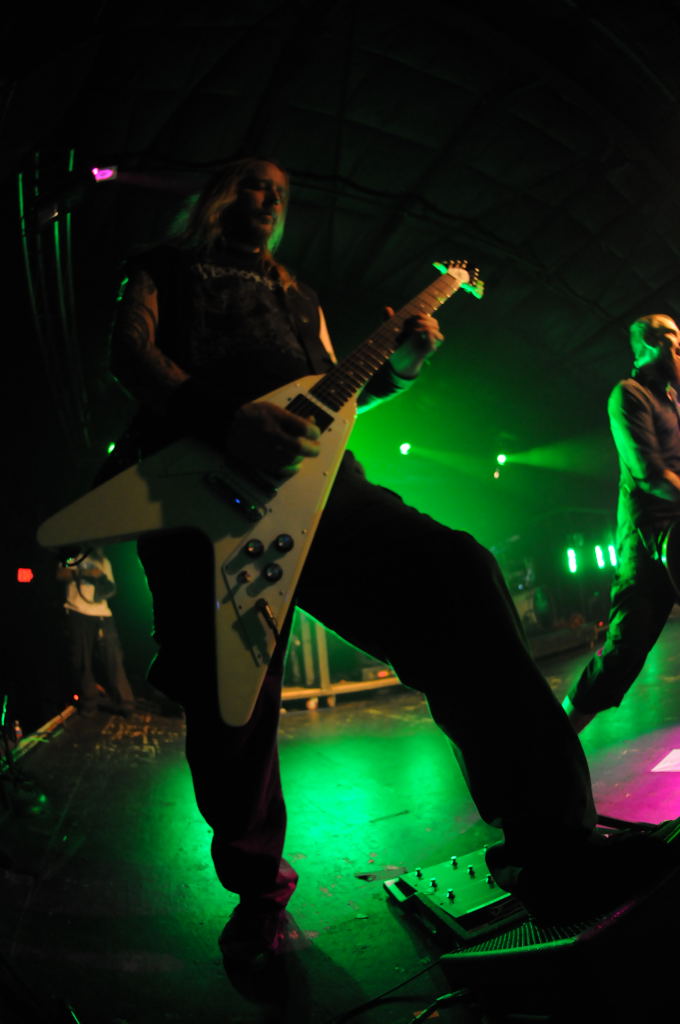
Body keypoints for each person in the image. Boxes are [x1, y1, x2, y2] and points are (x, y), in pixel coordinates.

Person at [105, 158, 679, 960]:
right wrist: (225, 419)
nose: (267, 198)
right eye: (250, 183)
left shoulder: (298, 295)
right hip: (201, 499)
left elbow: (335, 398)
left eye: (279, 191)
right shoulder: (162, 269)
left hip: (324, 492)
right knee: (230, 709)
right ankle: (258, 893)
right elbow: (129, 354)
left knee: (458, 573)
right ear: (215, 195)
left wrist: (401, 366)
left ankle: (553, 849)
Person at [563, 314, 680, 733]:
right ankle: (553, 738)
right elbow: (650, 474)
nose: (678, 347)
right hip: (648, 546)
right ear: (645, 345)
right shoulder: (628, 395)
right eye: (669, 338)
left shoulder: (673, 400)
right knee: (622, 655)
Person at [57, 546, 136, 718]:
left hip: (102, 614)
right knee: (82, 659)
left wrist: (99, 577)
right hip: (77, 611)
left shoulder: (103, 560)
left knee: (113, 657)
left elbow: (111, 588)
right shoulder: (71, 557)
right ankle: (89, 702)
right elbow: (61, 574)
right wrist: (84, 573)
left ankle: (125, 703)